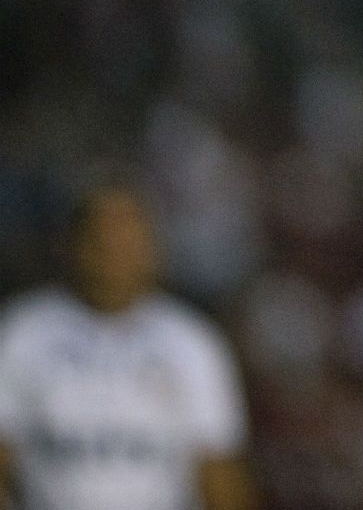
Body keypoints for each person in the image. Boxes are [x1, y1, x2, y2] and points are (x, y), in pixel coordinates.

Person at [0, 185, 256, 510]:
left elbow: (220, 471)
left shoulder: (191, 342)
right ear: (70, 243)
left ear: (153, 248)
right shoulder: (22, 332)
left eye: (128, 240)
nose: (115, 253)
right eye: (103, 239)